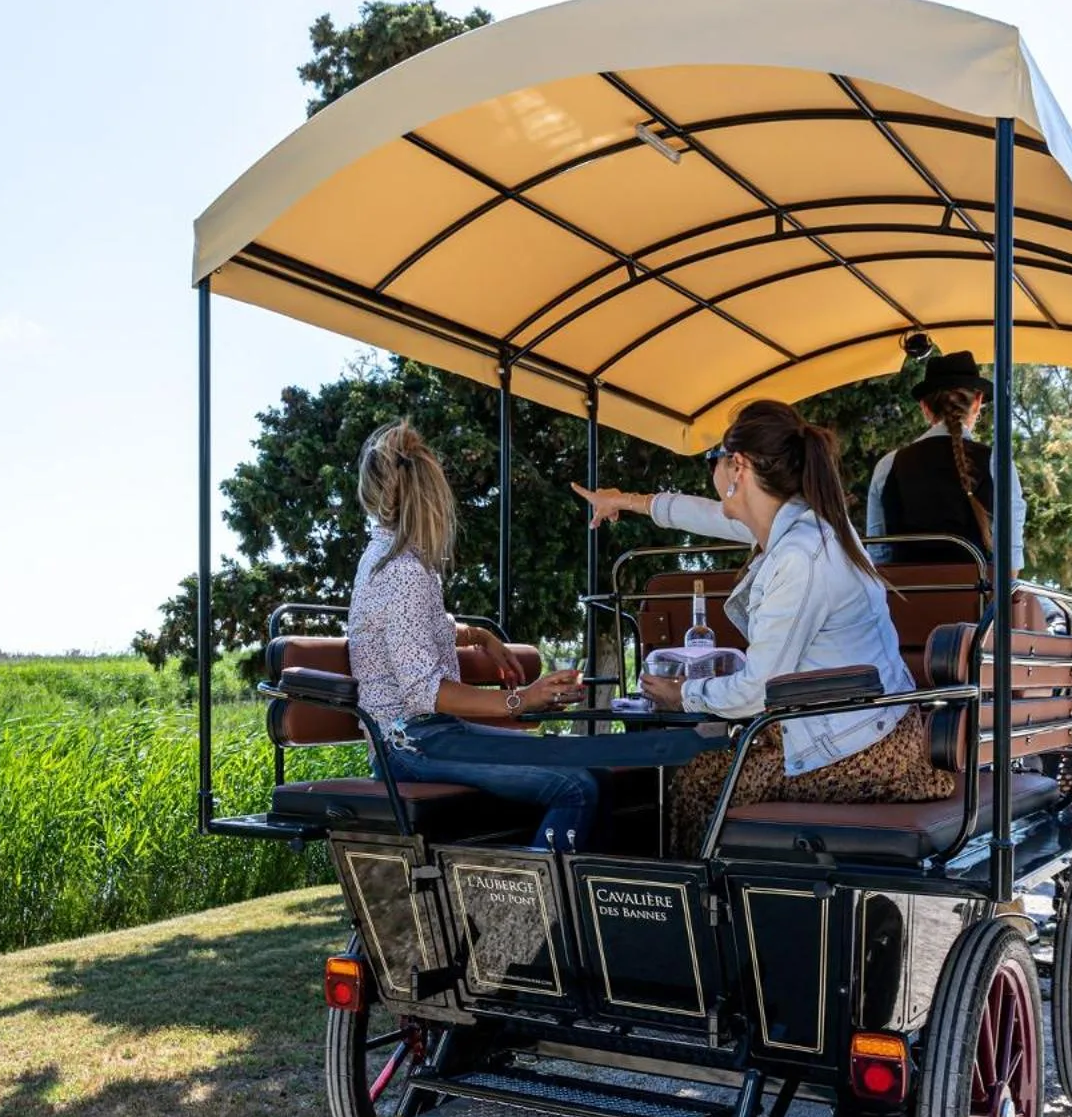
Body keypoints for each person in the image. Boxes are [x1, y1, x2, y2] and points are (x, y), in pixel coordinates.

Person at [572, 400, 954, 857]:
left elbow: (758, 693)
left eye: (713, 456)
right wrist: (627, 502)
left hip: (860, 752)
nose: (710, 472)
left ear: (738, 466)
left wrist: (682, 695)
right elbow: (710, 514)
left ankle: (702, 913)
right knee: (706, 759)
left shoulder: (798, 556)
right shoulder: (808, 526)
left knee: (699, 779)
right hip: (870, 728)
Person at [348, 420, 598, 850]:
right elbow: (426, 692)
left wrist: (480, 636)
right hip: (412, 745)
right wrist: (524, 699)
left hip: (428, 736)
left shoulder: (387, 560)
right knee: (575, 786)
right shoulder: (403, 571)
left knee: (584, 768)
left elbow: (419, 629)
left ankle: (558, 901)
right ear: (429, 496)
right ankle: (529, 913)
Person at [866, 349, 1027, 570]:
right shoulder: (996, 463)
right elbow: (1011, 561)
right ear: (977, 402)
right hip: (978, 602)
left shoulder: (888, 465)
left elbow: (879, 555)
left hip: (909, 600)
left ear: (924, 408)